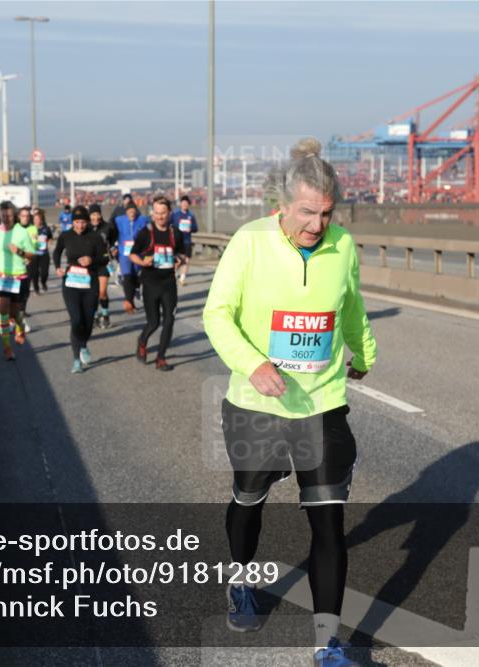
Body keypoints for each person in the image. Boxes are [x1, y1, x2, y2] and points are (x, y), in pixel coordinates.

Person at [202, 138, 377, 667]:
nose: (316, 225)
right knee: (249, 497)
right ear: (282, 204)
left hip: (321, 403)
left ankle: (328, 644)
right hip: (256, 404)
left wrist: (364, 351)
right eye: (306, 213)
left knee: (328, 521)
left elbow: (350, 305)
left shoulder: (342, 246)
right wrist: (253, 365)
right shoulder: (249, 242)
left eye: (326, 214)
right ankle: (240, 579)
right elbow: (217, 314)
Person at [130, 195, 185, 371]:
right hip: (150, 282)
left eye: (163, 213)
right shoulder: (146, 232)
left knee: (169, 321)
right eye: (156, 213)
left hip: (169, 283)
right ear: (152, 213)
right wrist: (142, 262)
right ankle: (142, 340)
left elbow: (182, 254)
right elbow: (133, 254)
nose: (160, 216)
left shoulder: (175, 233)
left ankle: (161, 358)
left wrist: (179, 261)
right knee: (153, 322)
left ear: (169, 213)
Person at [53, 205, 109, 373]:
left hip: (90, 283)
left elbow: (104, 258)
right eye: (77, 222)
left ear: (88, 222)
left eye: (83, 222)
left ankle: (83, 344)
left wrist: (92, 260)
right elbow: (56, 253)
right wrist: (57, 267)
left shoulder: (95, 237)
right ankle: (76, 359)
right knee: (76, 320)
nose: (80, 226)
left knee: (88, 321)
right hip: (71, 283)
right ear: (72, 222)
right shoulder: (66, 236)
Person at [0, 201, 36, 361]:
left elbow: (31, 255)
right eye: (3, 215)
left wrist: (19, 251)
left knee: (15, 314)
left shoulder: (22, 232)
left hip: (18, 276)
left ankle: (20, 327)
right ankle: (7, 347)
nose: (6, 218)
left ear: (14, 215)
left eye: (9, 215)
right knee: (2, 310)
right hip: (1, 275)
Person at [114, 202, 148, 314]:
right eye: (129, 211)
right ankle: (129, 301)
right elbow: (112, 231)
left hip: (138, 253)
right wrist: (113, 246)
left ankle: (135, 291)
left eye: (133, 211)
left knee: (135, 276)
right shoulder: (119, 220)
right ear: (126, 211)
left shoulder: (143, 219)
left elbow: (151, 230)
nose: (132, 213)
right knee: (127, 276)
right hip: (124, 253)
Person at [89, 203, 117, 328]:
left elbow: (115, 240)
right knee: (92, 293)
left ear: (100, 214)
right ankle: (95, 316)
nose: (95, 217)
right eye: (93, 214)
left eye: (97, 214)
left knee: (102, 292)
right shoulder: (86, 228)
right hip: (89, 265)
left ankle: (105, 316)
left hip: (104, 263)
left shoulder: (108, 227)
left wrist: (114, 248)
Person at [170, 195, 199, 285]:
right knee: (177, 260)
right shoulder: (175, 214)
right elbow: (169, 224)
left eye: (186, 203)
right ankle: (173, 274)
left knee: (187, 260)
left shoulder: (190, 215)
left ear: (189, 204)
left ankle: (182, 278)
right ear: (181, 204)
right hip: (177, 240)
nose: (185, 204)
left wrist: (190, 228)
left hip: (187, 240)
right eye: (183, 203)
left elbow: (195, 228)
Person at [31, 208, 53, 293]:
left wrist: (49, 241)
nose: (37, 221)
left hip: (44, 254)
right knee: (35, 273)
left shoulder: (46, 228)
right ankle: (36, 289)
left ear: (41, 220)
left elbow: (50, 238)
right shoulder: (30, 229)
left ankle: (43, 282)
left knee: (45, 273)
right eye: (35, 219)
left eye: (38, 219)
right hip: (34, 254)